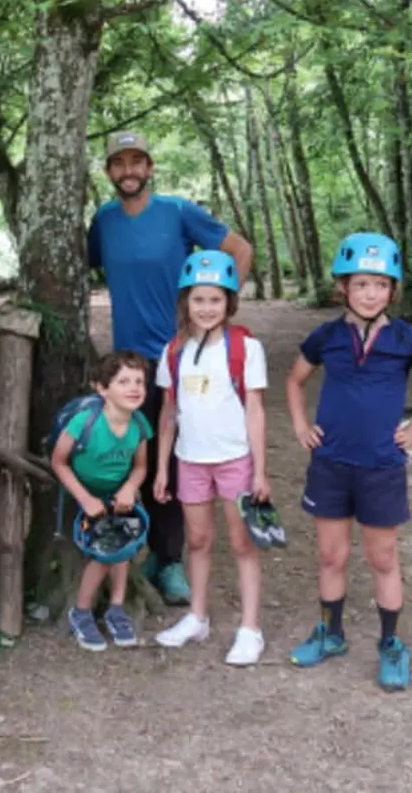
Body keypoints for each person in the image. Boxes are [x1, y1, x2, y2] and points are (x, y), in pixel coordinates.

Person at [87, 130, 254, 605]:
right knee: (133, 458)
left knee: (178, 460)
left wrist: (216, 311)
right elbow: (90, 263)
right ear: (109, 173)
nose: (129, 172)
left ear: (150, 167)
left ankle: (171, 560)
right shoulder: (103, 221)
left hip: (181, 358)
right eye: (119, 164)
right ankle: (138, 548)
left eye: (137, 162)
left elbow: (239, 250)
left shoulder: (179, 212)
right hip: (129, 366)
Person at [285, 232, 412, 691]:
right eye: (360, 284)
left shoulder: (407, 339)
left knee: (382, 557)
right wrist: (301, 426)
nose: (370, 293)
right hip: (331, 463)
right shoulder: (327, 337)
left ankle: (391, 644)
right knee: (330, 554)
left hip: (381, 465)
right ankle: (331, 633)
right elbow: (295, 381)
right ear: (343, 287)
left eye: (380, 285)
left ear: (392, 290)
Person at [151, 251, 270, 665]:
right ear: (185, 302)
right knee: (198, 540)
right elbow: (169, 412)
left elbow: (255, 410)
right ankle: (197, 616)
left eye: (215, 300)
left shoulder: (246, 348)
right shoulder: (173, 352)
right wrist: (163, 466)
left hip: (235, 459)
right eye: (198, 300)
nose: (206, 308)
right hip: (190, 460)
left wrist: (261, 471)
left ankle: (250, 628)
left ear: (229, 302)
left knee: (242, 543)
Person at [51, 351, 152, 651]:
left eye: (139, 382)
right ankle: (80, 611)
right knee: (104, 553)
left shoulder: (139, 424)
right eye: (123, 382)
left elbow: (141, 466)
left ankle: (116, 608)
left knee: (123, 546)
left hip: (119, 495)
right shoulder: (85, 421)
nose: (134, 388)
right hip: (86, 494)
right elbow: (59, 462)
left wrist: (129, 489)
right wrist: (84, 498)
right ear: (102, 388)